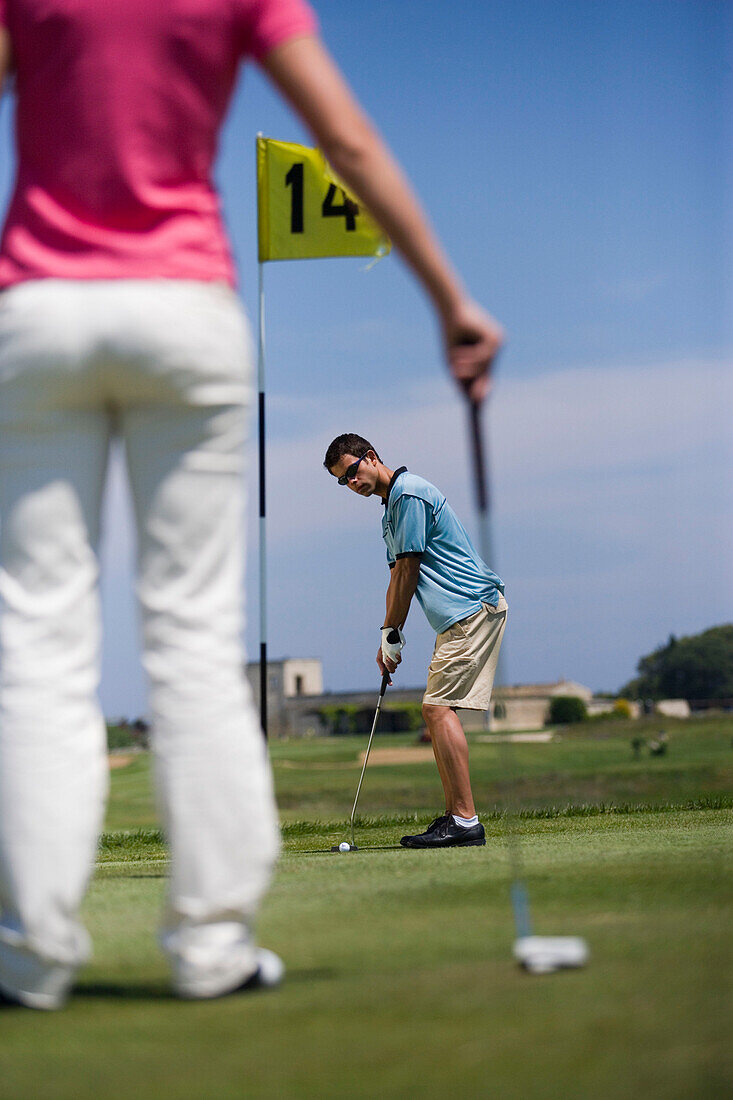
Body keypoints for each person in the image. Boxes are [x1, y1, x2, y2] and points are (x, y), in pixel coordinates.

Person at [0, 0, 503, 1009]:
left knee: (36, 633)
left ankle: (27, 951)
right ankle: (211, 943)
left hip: (39, 311)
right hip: (187, 312)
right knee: (192, 632)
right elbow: (346, 138)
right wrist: (449, 298)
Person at [324, 435, 507, 849]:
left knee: (437, 709)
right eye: (343, 481)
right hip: (457, 617)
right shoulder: (390, 511)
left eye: (353, 471)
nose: (352, 483)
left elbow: (409, 571)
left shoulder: (409, 494)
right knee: (435, 711)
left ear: (372, 458)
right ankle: (455, 816)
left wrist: (394, 633)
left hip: (472, 608)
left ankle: (464, 820)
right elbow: (395, 579)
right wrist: (387, 637)